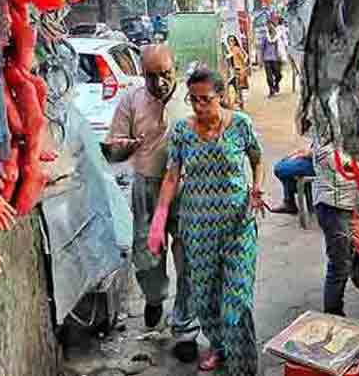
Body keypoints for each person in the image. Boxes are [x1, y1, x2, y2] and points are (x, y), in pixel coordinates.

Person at [148, 66, 265, 376]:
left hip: (237, 226)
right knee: (205, 297)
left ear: (221, 96)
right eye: (193, 100)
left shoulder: (241, 125)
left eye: (205, 100)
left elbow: (257, 158)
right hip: (197, 230)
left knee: (236, 299)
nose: (199, 107)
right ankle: (219, 348)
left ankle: (244, 367)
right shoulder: (182, 131)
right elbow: (172, 177)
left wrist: (256, 187)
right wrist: (159, 220)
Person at [104, 44, 199, 360]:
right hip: (148, 188)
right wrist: (124, 147)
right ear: (141, 74)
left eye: (165, 74)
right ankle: (155, 298)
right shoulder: (131, 100)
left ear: (175, 68)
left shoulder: (193, 96)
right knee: (147, 253)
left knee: (190, 258)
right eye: (151, 76)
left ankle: (186, 329)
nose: (159, 83)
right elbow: (113, 146)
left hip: (187, 189)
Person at [312, 130, 359, 317]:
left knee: (347, 259)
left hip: (348, 202)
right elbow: (337, 162)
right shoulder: (324, 133)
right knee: (339, 264)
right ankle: (333, 314)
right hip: (333, 206)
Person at [271, 143, 314, 215]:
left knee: (280, 168)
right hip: (315, 157)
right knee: (286, 166)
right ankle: (289, 202)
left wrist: (302, 154)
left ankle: (290, 202)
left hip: (319, 161)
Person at [261, 16, 284, 97]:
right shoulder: (265, 36)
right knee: (269, 76)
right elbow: (262, 48)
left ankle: (276, 84)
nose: (269, 26)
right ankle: (271, 90)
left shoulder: (278, 36)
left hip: (276, 58)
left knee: (279, 75)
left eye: (270, 25)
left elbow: (281, 46)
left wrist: (281, 56)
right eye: (267, 25)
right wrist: (261, 60)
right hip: (267, 59)